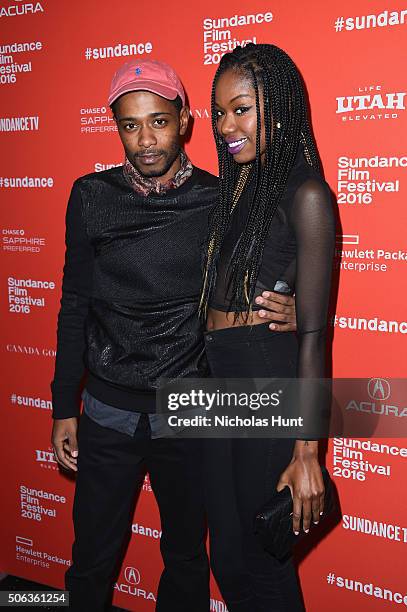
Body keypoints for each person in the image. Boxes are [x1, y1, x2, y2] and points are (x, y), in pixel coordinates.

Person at [50, 58, 297, 611]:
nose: (145, 139)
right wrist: (63, 403)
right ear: (115, 126)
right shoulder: (90, 196)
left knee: (186, 555)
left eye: (158, 121)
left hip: (190, 405)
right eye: (129, 125)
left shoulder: (220, 198)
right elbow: (74, 305)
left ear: (184, 120)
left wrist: (299, 305)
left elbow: (265, 267)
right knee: (91, 556)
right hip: (107, 404)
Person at [199, 44, 335, 611]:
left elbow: (313, 335)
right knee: (225, 555)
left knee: (263, 559)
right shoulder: (235, 189)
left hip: (263, 380)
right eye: (219, 113)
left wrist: (307, 450)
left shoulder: (306, 193)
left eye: (242, 109)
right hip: (215, 381)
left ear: (277, 107)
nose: (228, 126)